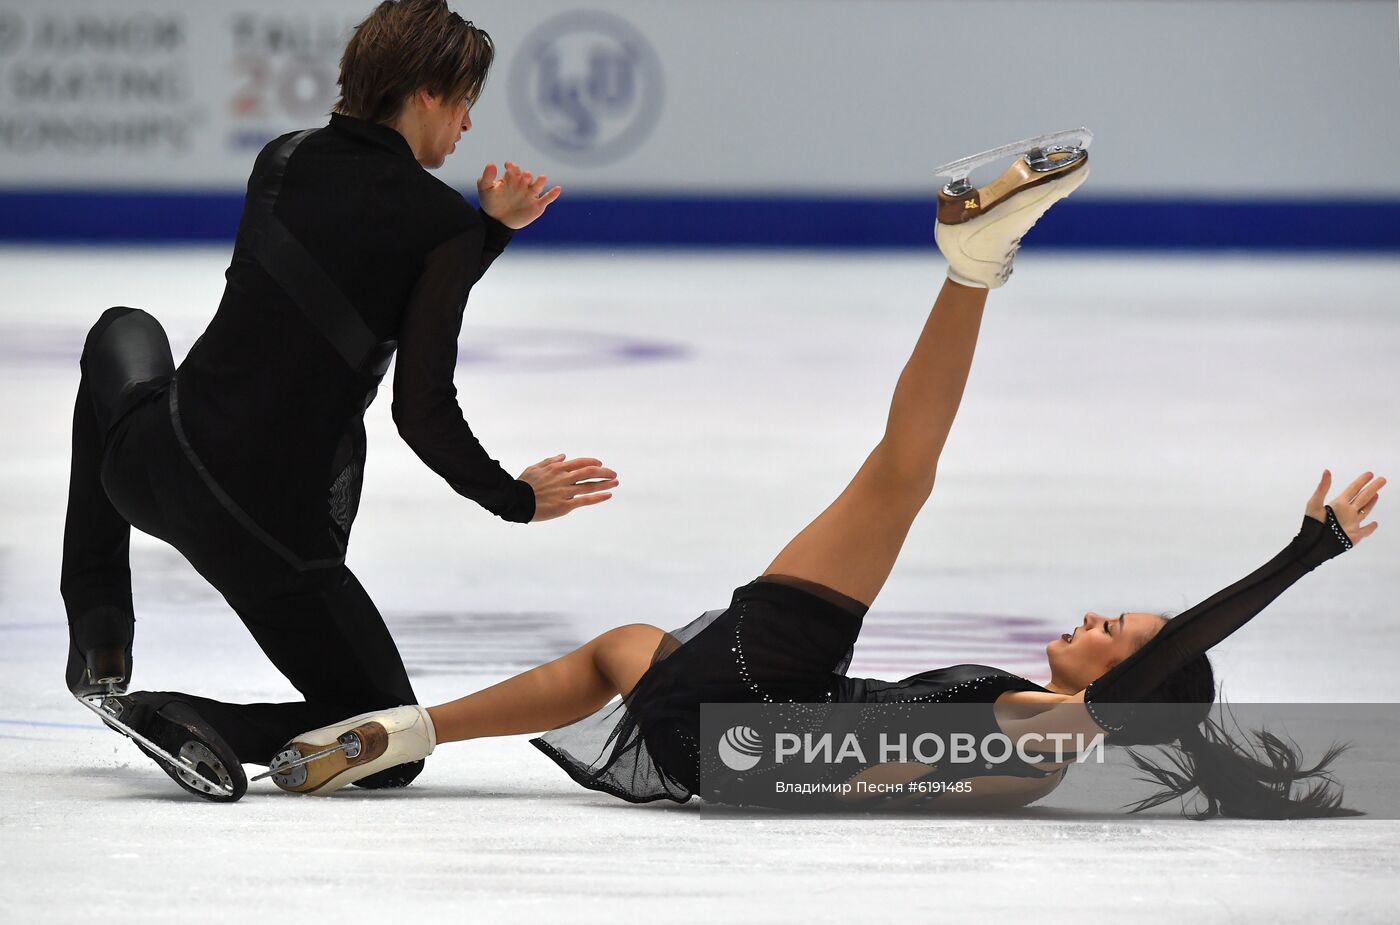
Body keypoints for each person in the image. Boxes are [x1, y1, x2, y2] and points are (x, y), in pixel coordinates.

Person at [268, 138, 1382, 818]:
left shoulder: (1058, 733)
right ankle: (408, 732)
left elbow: (1169, 664)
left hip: (765, 710)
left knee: (899, 478)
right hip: (713, 745)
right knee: (624, 649)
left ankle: (972, 261)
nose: (1096, 616)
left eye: (1119, 631)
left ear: (1125, 690)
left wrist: (1301, 553)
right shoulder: (1032, 745)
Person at [60, 0, 617, 802]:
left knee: (123, 328)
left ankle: (102, 623)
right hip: (265, 536)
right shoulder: (441, 228)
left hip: (156, 460)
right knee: (387, 732)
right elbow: (420, 410)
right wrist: (517, 498)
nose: (466, 128)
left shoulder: (281, 160)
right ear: (425, 93)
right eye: (463, 103)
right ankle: (192, 716)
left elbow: (347, 276)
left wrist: (479, 234)